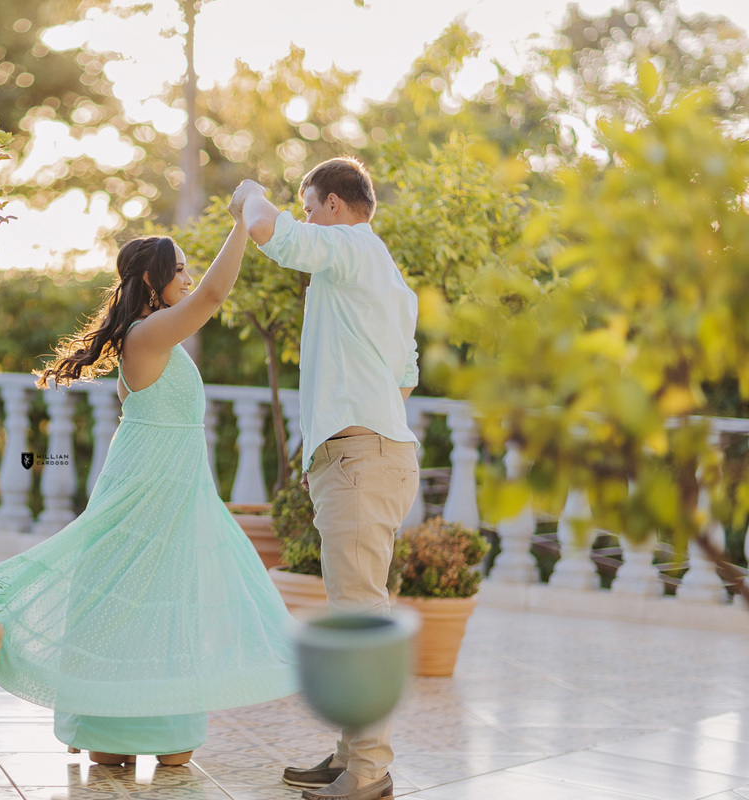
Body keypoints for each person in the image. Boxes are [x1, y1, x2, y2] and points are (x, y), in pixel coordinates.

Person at [0, 201, 296, 767]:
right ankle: (109, 722)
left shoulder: (155, 338)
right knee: (128, 599)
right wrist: (239, 224)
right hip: (143, 489)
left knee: (165, 603)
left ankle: (145, 722)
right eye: (179, 269)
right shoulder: (146, 336)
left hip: (171, 490)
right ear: (153, 281)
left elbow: (201, 300)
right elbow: (212, 298)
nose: (188, 277)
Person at [232, 157, 420, 800]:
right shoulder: (391, 280)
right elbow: (403, 380)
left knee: (360, 615)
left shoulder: (346, 247)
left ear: (335, 206)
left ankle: (368, 771)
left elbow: (269, 231)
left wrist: (253, 193)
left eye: (311, 205)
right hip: (373, 454)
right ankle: (350, 754)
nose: (307, 215)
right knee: (355, 611)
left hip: (360, 458)